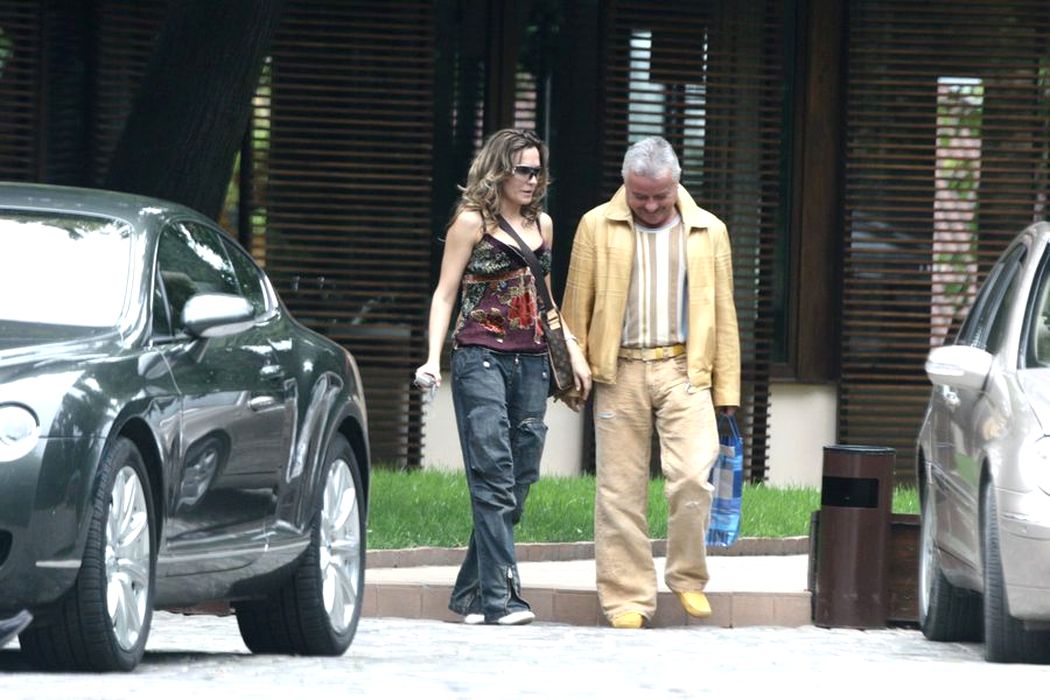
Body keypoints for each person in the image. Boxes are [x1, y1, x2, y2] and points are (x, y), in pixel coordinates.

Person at [561, 136, 740, 629]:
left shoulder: (709, 230)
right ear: (625, 184)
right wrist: (570, 375)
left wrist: (727, 388)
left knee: (692, 477)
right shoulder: (596, 225)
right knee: (619, 490)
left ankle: (687, 577)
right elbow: (576, 304)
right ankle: (627, 598)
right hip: (619, 370)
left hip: (686, 370)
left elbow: (724, 311)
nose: (652, 205)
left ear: (677, 183)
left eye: (661, 194)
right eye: (640, 195)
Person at [416, 128, 591, 625]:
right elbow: (445, 293)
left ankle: (470, 594)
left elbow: (546, 299)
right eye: (524, 170)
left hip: (532, 361)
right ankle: (502, 599)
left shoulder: (544, 225)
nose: (533, 180)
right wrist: (431, 358)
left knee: (521, 476)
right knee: (493, 472)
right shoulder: (471, 222)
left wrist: (573, 350)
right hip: (479, 357)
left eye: (538, 170)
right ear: (499, 171)